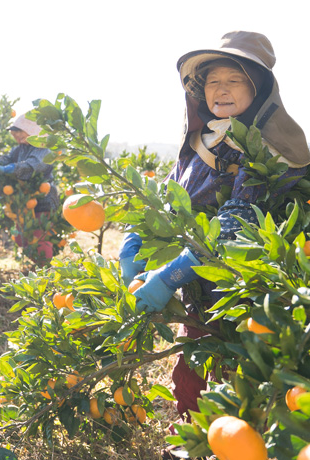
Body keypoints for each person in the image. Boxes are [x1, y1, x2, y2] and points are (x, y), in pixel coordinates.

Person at [118, 31, 310, 459]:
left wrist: (170, 274)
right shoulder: (204, 138)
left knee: (241, 393)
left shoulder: (275, 146)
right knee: (192, 377)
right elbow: (171, 198)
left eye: (234, 80)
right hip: (201, 290)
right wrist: (137, 240)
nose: (220, 89)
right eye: (212, 80)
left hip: (249, 299)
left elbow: (237, 222)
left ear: (257, 87)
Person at [0, 113, 59, 264]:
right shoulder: (19, 149)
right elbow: (7, 158)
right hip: (24, 202)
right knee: (21, 237)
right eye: (15, 134)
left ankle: (45, 271)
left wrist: (8, 169)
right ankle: (39, 265)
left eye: (20, 132)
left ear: (33, 130)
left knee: (40, 236)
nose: (17, 137)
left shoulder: (44, 149)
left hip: (43, 200)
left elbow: (32, 166)